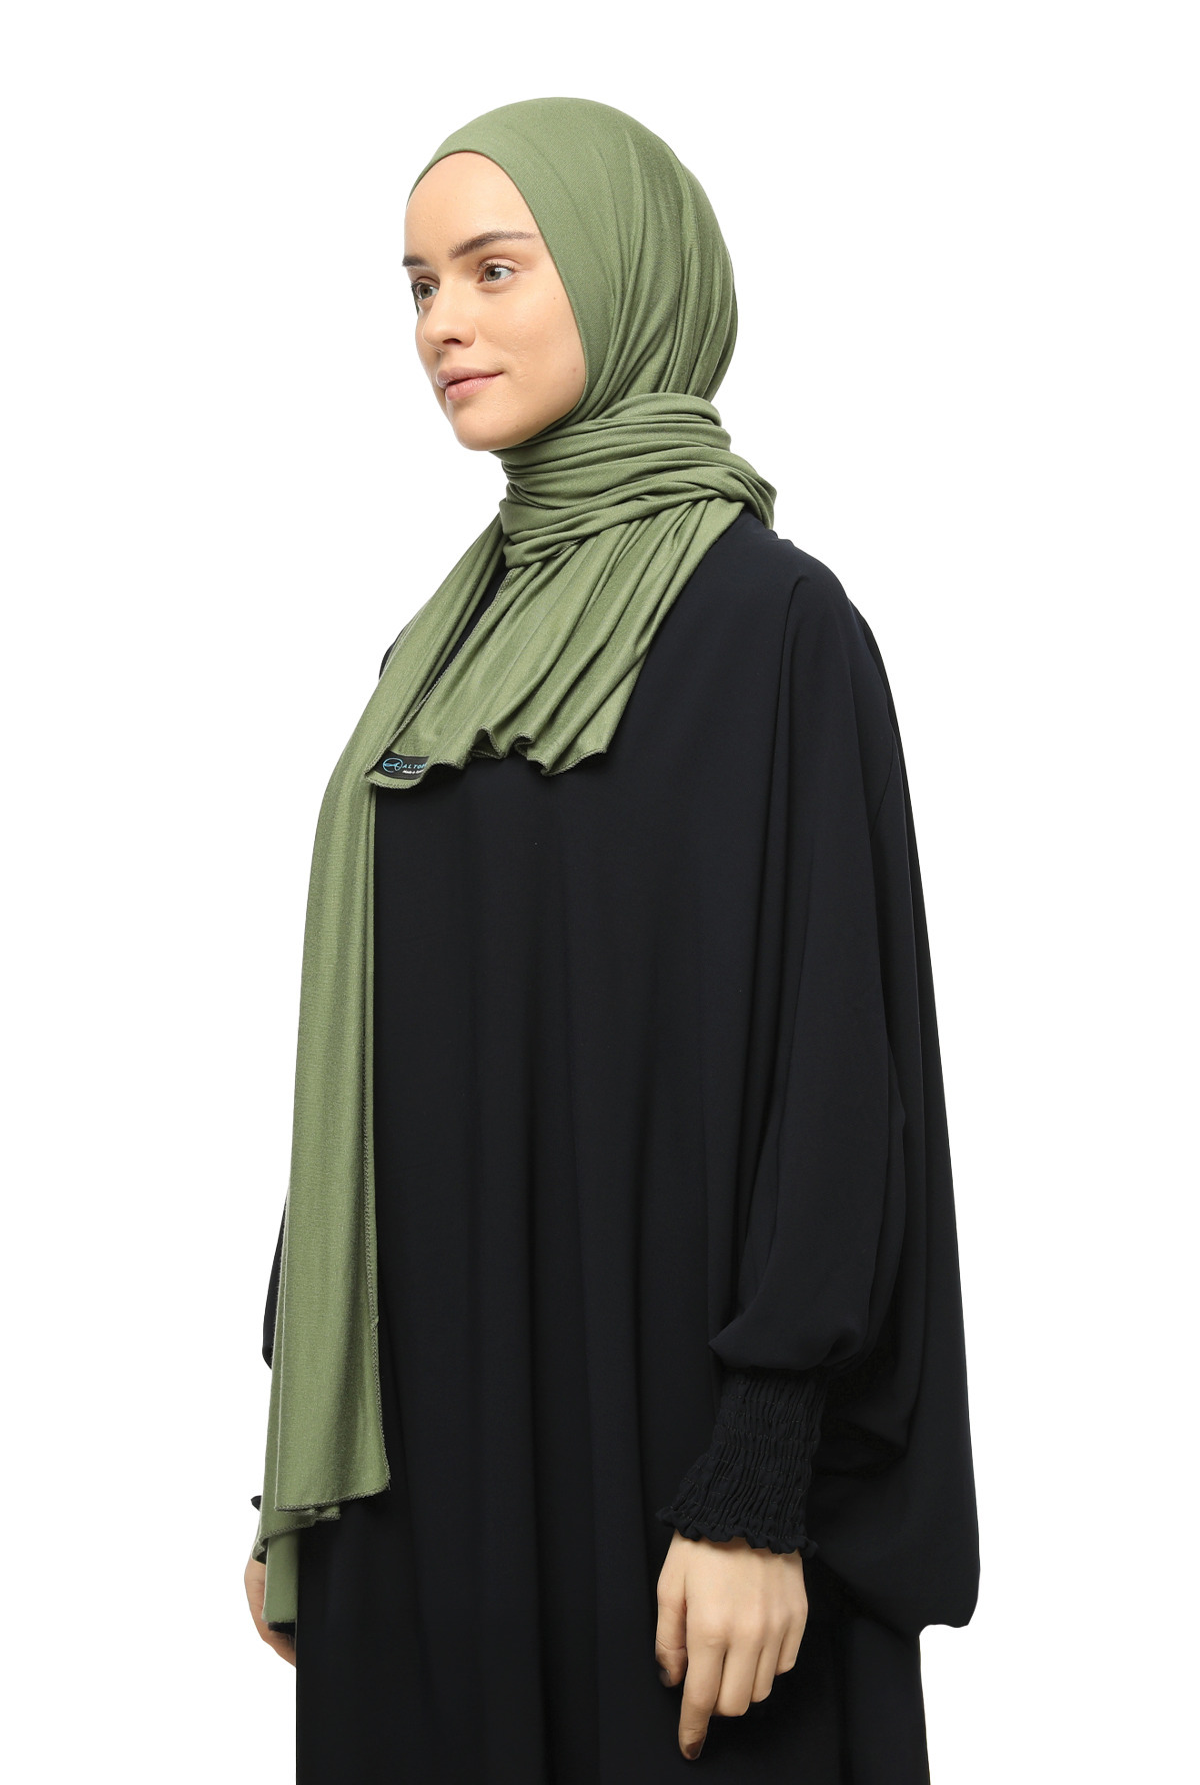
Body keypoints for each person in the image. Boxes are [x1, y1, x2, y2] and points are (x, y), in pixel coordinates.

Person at [243, 97, 979, 1783]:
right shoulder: (438, 652)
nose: (442, 323)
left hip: (678, 1483)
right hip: (429, 1478)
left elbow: (841, 1086)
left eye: (494, 270)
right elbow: (366, 1073)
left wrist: (758, 1486)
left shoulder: (774, 631)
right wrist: (303, 1454)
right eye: (419, 284)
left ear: (632, 276)